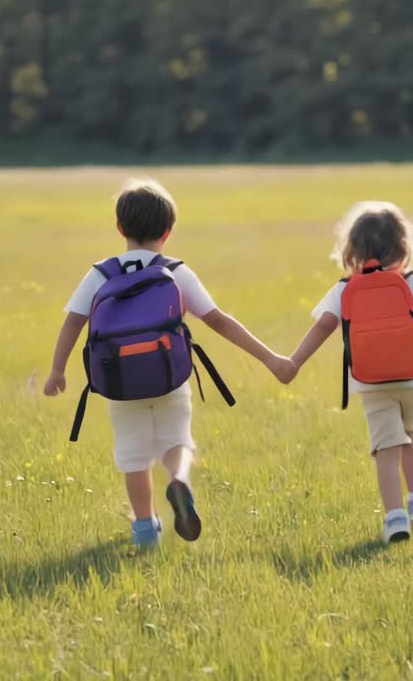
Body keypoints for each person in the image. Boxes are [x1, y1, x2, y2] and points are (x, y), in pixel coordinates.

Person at [44, 179, 296, 549]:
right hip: (170, 378)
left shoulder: (101, 274)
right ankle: (179, 478)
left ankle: (145, 528)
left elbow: (73, 321)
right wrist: (271, 358)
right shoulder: (175, 271)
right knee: (177, 441)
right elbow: (217, 319)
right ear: (168, 231)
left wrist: (57, 371)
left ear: (119, 229)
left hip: (119, 382)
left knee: (133, 455)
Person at [285, 201, 413, 544]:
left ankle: (395, 517)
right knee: (409, 433)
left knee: (386, 447)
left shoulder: (344, 289)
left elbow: (322, 328)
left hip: (371, 382)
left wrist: (293, 362)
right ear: (403, 247)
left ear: (352, 250)